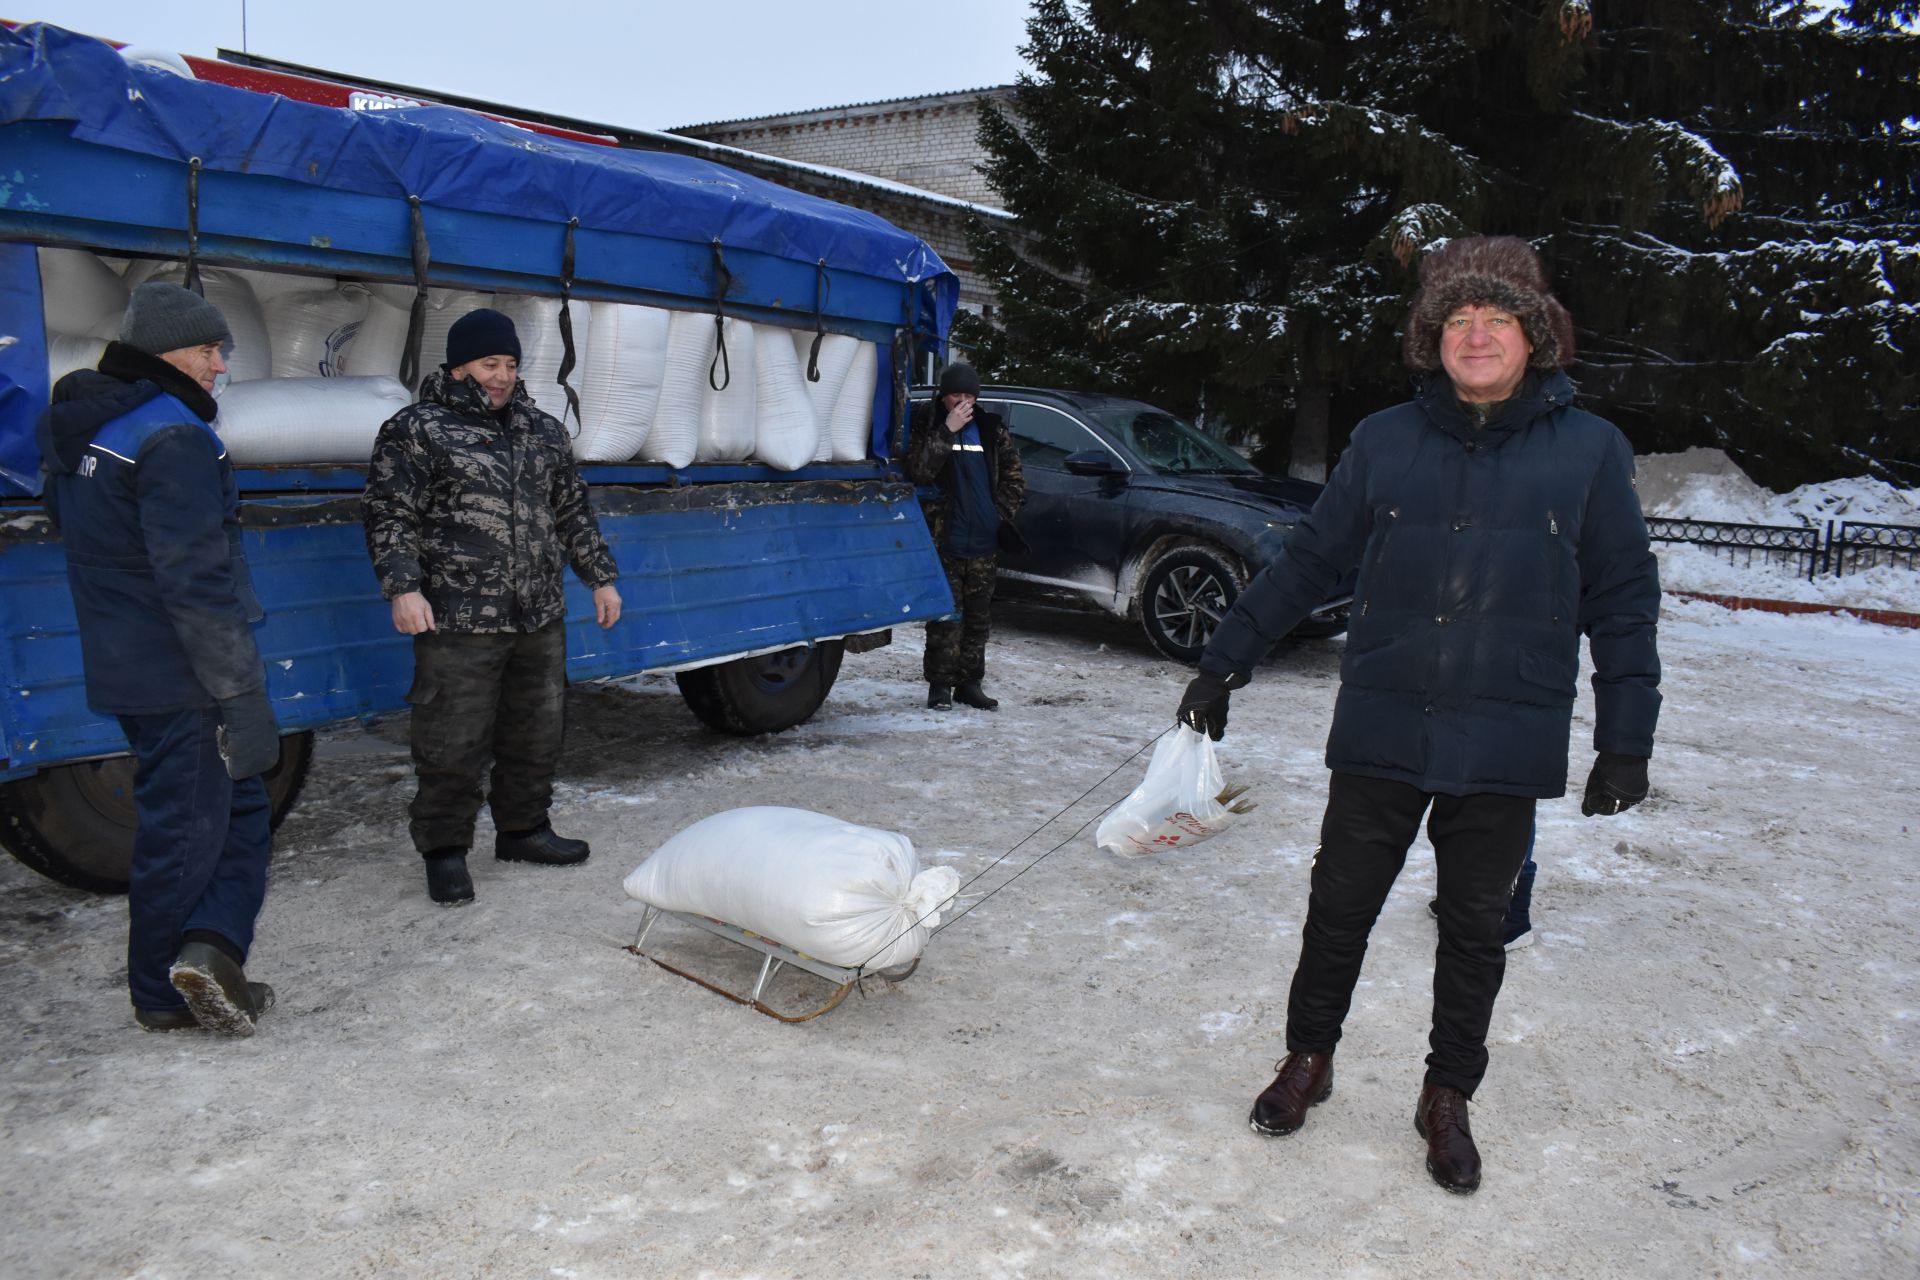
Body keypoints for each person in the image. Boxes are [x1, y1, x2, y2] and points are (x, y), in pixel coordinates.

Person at [1174, 237, 1661, 1194]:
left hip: (1507, 732)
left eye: (1496, 319)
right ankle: (1307, 1059)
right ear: (1431, 339)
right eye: (1456, 321)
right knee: (1339, 906)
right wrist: (1222, 663)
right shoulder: (1385, 440)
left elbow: (1623, 600)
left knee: (1477, 930)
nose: (1475, 336)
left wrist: (1624, 743)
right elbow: (1311, 561)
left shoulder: (1591, 452)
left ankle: (1447, 1096)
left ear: (1535, 337)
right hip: (1386, 723)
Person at [36, 282, 283, 1035]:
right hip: (183, 673)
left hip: (127, 662)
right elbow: (193, 578)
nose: (220, 364)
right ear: (170, 351)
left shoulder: (91, 428)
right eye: (211, 350)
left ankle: (210, 953)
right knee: (192, 827)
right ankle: (167, 987)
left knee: (235, 812)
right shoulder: (171, 434)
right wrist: (237, 690)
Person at [364, 308, 621, 907]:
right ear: (458, 367)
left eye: (509, 364)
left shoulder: (543, 430)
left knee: (537, 731)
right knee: (453, 740)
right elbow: (388, 513)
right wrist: (403, 588)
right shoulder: (417, 429)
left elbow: (572, 512)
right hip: (457, 618)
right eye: (489, 364)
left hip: (538, 612)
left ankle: (524, 830)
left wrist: (600, 579)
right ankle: (445, 851)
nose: (502, 376)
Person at [905, 361, 1026, 711]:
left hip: (983, 541)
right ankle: (940, 687)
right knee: (946, 618)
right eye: (955, 394)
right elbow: (919, 472)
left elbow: (1015, 478)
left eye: (968, 395)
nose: (962, 401)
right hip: (946, 539)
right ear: (943, 396)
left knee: (978, 618)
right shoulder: (928, 423)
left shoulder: (990, 428)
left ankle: (970, 684)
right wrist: (947, 430)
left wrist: (997, 516)